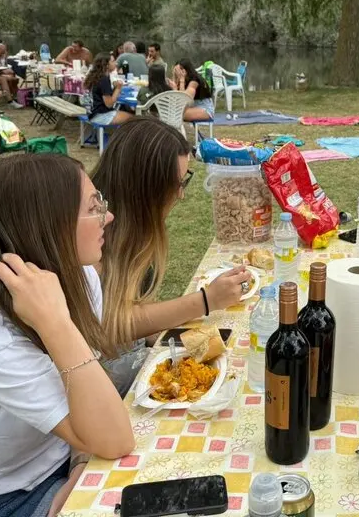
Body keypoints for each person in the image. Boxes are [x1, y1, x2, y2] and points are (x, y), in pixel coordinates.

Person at [0, 154, 134, 517]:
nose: (108, 216)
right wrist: (56, 324)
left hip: (60, 457)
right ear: (49, 226)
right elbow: (115, 438)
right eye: (93, 207)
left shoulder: (83, 279)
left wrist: (81, 464)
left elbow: (87, 401)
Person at [91, 118, 250, 394]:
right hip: (103, 380)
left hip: (128, 356)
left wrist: (180, 339)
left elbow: (137, 316)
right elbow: (109, 326)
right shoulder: (92, 234)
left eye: (184, 180)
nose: (180, 194)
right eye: (176, 183)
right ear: (144, 187)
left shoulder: (133, 230)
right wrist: (205, 300)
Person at [84, 53, 133, 128]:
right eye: (113, 61)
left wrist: (115, 87)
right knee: (134, 118)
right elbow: (109, 104)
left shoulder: (96, 76)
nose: (116, 63)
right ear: (106, 65)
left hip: (91, 113)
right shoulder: (103, 79)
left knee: (127, 113)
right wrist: (118, 88)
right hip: (100, 116)